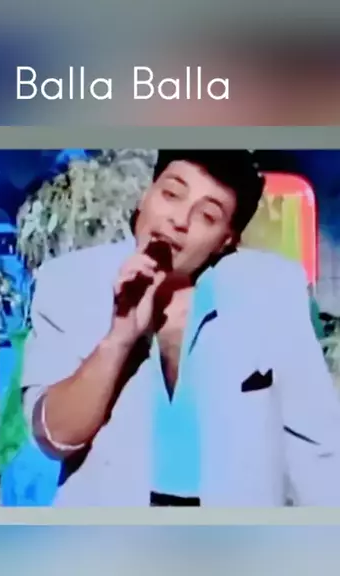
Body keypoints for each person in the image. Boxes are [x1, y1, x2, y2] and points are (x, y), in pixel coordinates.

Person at [21, 150, 340, 507]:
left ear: (226, 240)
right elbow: (55, 437)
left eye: (207, 215)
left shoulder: (272, 290)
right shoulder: (69, 282)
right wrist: (119, 338)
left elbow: (318, 449)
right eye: (172, 194)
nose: (179, 221)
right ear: (147, 195)